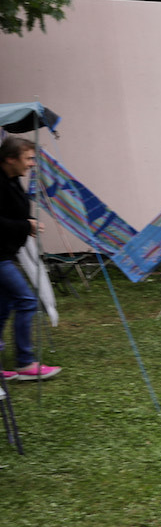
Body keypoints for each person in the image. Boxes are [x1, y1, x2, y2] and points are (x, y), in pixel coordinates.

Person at [0, 136, 61, 382]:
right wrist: (26, 225)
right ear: (10, 159)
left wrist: (26, 225)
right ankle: (25, 363)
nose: (32, 164)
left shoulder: (12, 179)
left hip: (6, 252)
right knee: (26, 301)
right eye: (28, 159)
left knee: (3, 308)